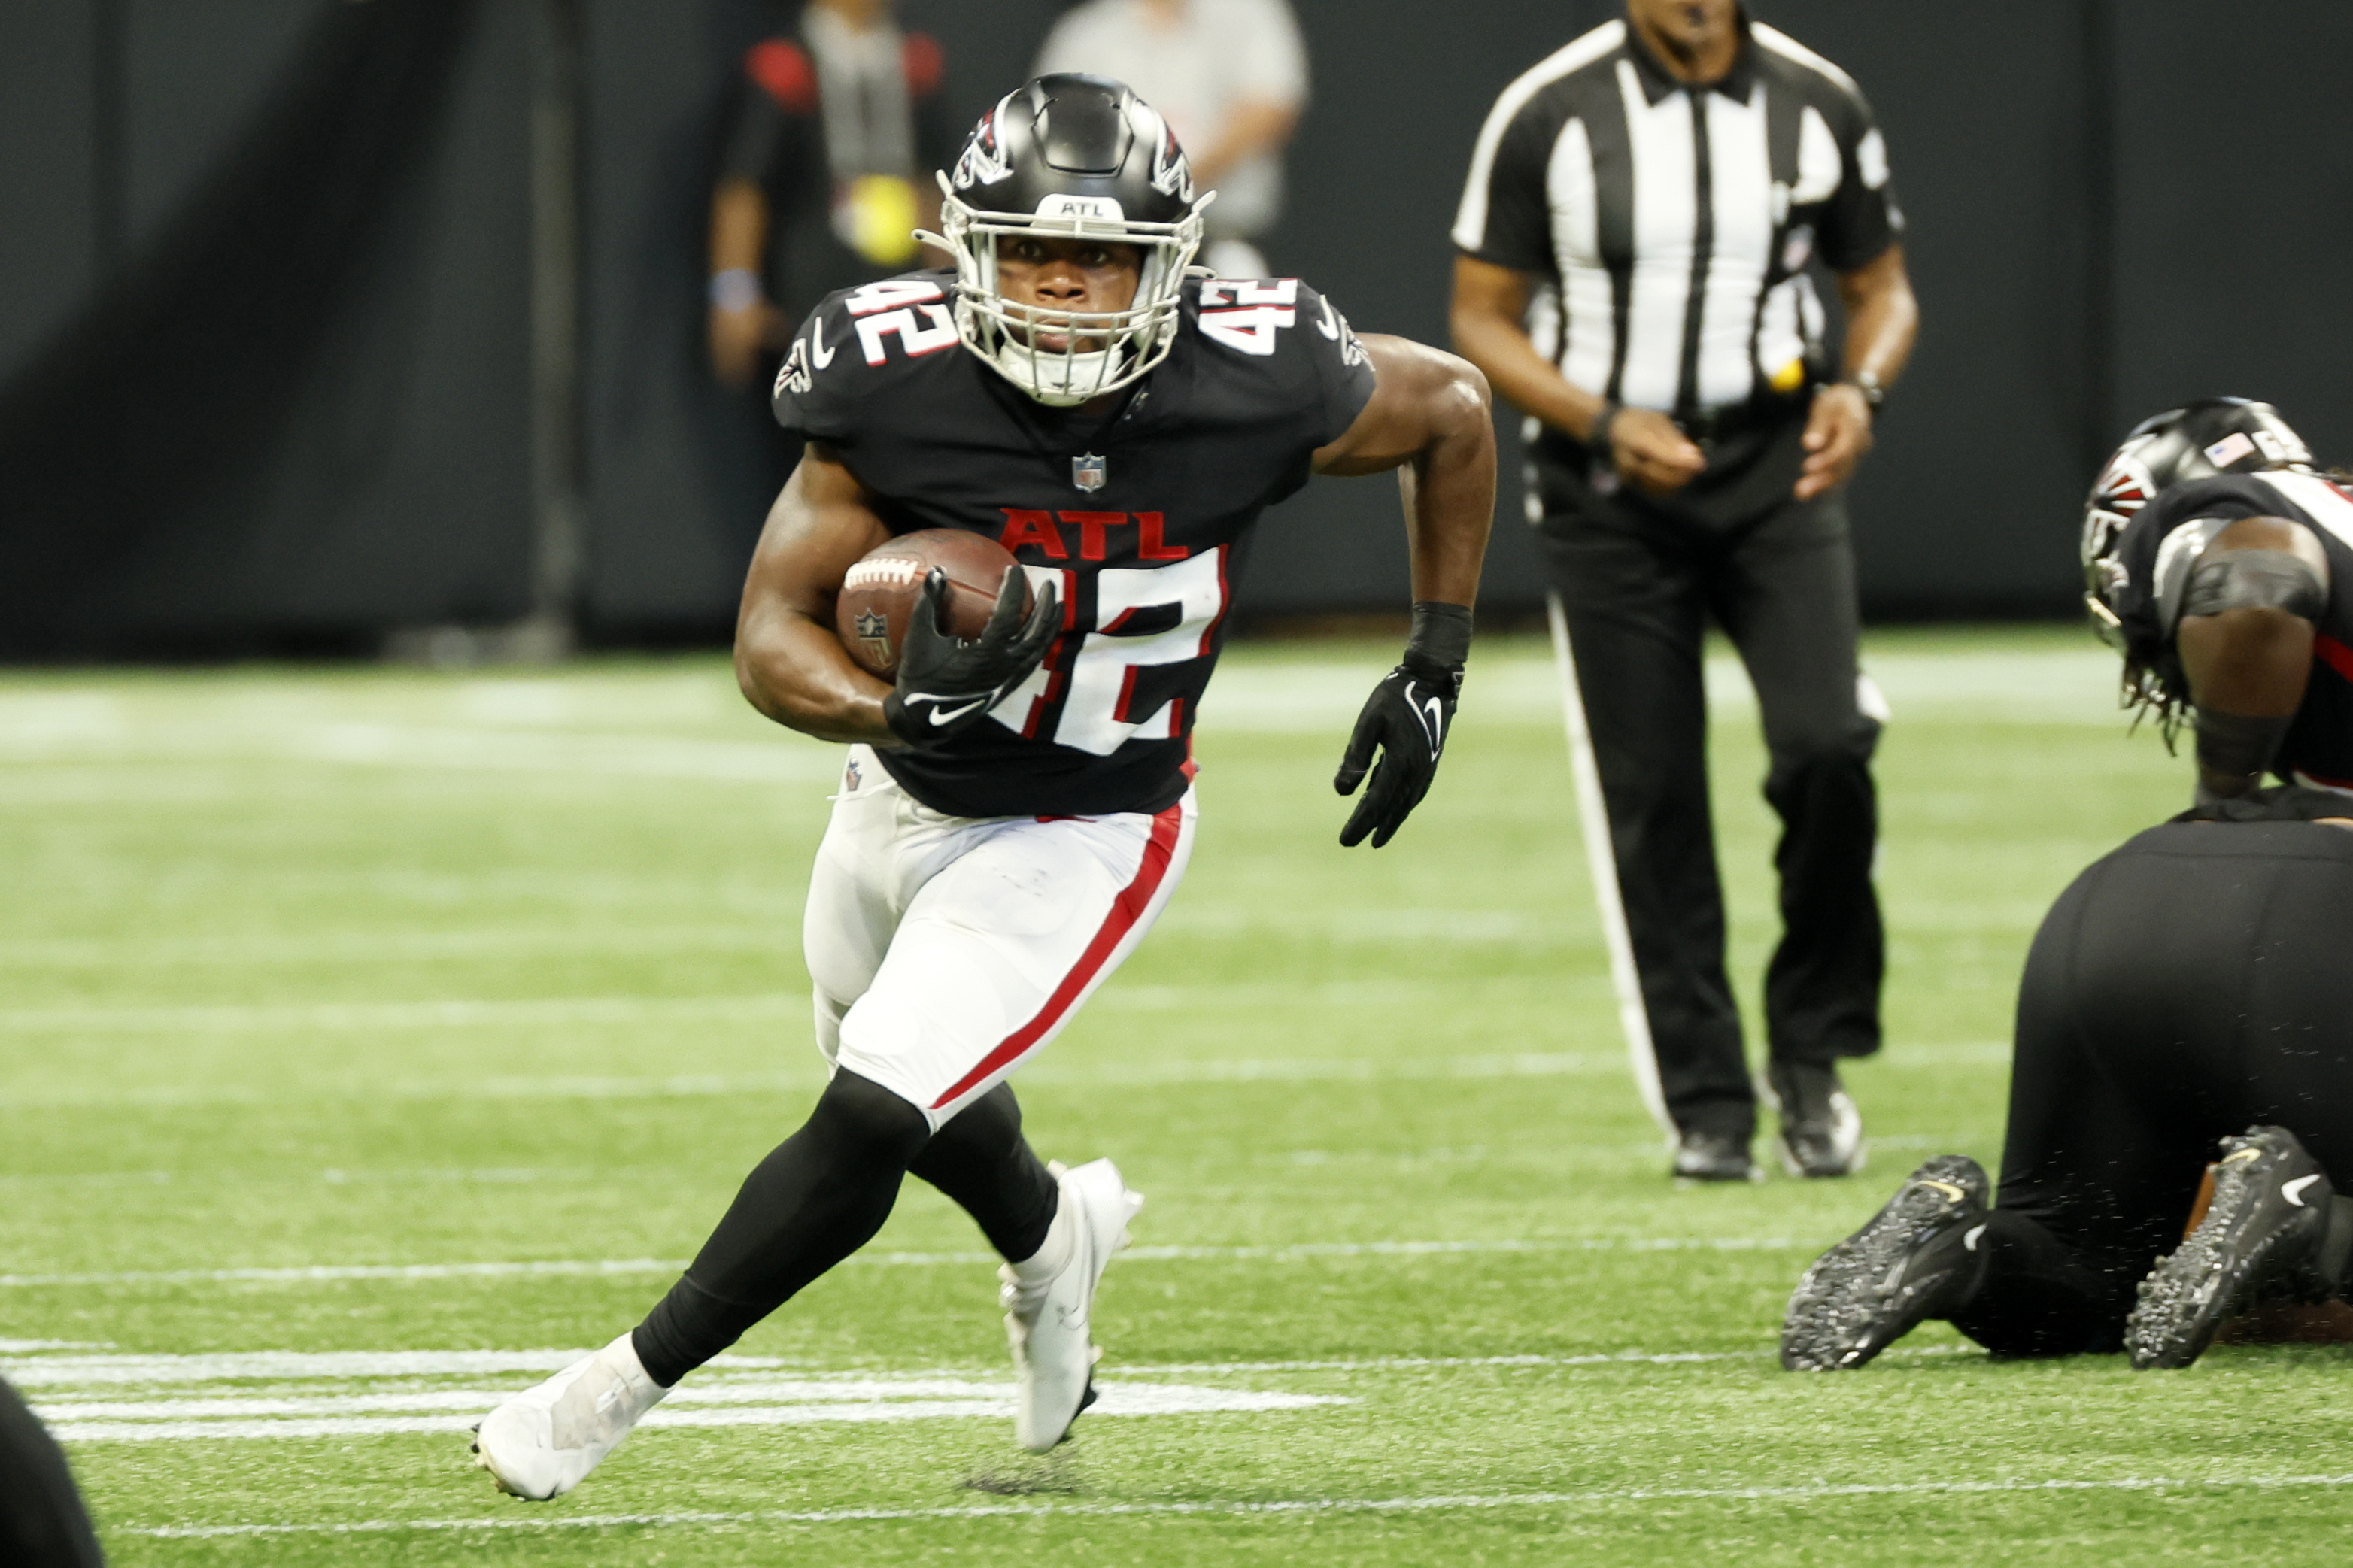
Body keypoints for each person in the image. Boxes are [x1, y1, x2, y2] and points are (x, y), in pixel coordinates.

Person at [472, 73, 1495, 1500]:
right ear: (966, 248)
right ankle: (1054, 1238)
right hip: (896, 791)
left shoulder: (1259, 370)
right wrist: (884, 700)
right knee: (910, 1082)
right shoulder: (887, 379)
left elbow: (1452, 407)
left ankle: (599, 1400)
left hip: (1091, 818)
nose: (1067, 293)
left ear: (1171, 265)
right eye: (1031, 254)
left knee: (878, 1109)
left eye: (1104, 261)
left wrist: (1432, 663)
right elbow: (771, 632)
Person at [1781, 399, 2353, 1373]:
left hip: (2121, 908)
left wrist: (2222, 803)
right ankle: (2312, 1223)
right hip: (2306, 916)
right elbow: (2257, 572)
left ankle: (1963, 1251)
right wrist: (2228, 791)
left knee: (2086, 1265)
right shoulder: (2280, 506)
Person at [1448, 0, 1918, 1184]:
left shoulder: (1819, 100)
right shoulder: (1548, 112)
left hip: (1777, 467)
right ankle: (1710, 1103)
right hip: (1612, 486)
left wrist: (1859, 389)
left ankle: (1812, 1057)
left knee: (1826, 745)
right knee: (1652, 792)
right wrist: (1600, 419)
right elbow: (1480, 319)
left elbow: (1885, 286)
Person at [706, 0, 959, 393]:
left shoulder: (914, 61)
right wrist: (735, 295)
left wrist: (951, 283)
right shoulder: (784, 66)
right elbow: (744, 186)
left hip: (900, 291)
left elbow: (931, 181)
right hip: (808, 295)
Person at [1032, 0, 1307, 279]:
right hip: (1113, 245)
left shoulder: (1248, 12)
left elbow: (1269, 109)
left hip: (1222, 237)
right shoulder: (1087, 32)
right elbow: (1050, 129)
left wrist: (1170, 183)